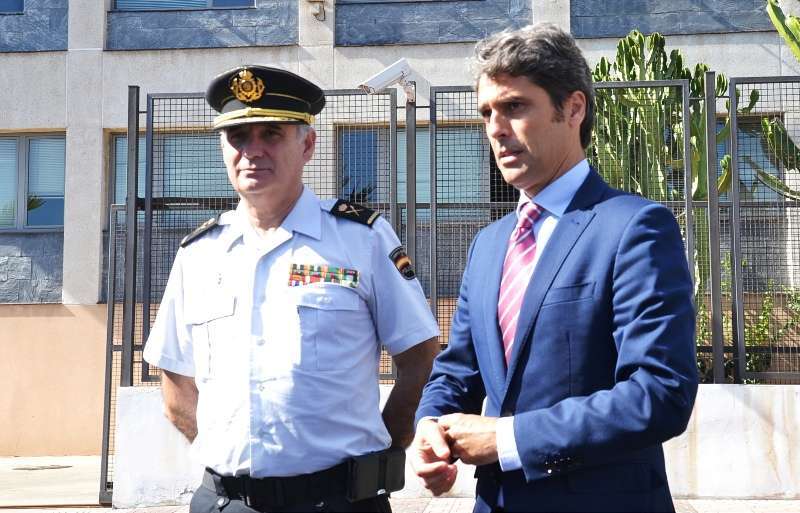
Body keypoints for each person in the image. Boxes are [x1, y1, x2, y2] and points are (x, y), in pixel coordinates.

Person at [410, 23, 698, 513]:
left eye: (515, 106)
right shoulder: (488, 244)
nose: (496, 128)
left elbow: (659, 393)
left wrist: (506, 439)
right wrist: (431, 426)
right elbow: (458, 369)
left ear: (573, 108)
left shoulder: (634, 228)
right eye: (487, 112)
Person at [143, 65, 440, 513]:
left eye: (271, 134)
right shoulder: (198, 253)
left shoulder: (361, 239)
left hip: (337, 501)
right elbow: (176, 382)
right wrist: (226, 454)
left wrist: (381, 451)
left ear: (308, 145)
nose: (253, 151)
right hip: (225, 504)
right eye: (238, 137)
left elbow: (420, 357)